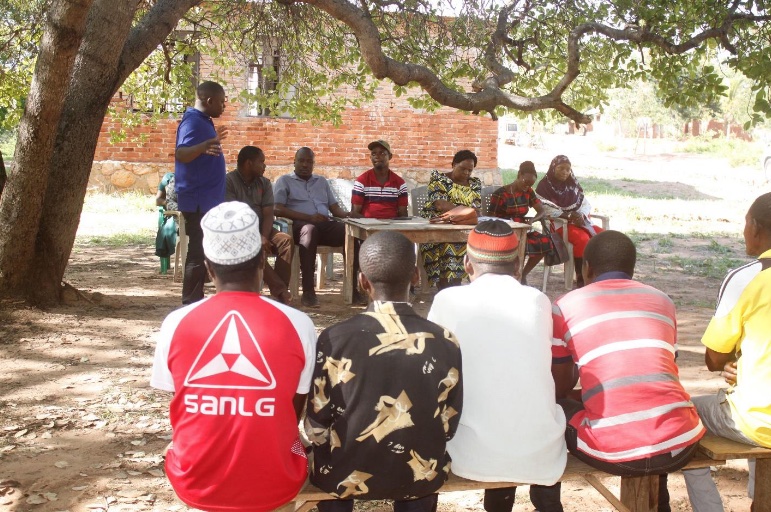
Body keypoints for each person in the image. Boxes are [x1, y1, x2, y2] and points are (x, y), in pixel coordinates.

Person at [150, 201, 317, 512]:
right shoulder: (299, 324)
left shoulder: (175, 323)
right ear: (262, 260)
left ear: (209, 268)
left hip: (195, 483)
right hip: (276, 483)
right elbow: (292, 411)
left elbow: (183, 403)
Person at [305, 231, 462, 512]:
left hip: (341, 471)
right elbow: (448, 422)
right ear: (416, 276)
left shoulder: (334, 338)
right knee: (423, 474)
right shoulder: (444, 339)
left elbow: (317, 425)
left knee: (330, 469)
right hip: (418, 474)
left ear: (362, 281)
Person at [550, 230, 705, 512]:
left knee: (556, 407)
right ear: (632, 269)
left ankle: (547, 504)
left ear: (587, 268)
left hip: (613, 450)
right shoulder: (663, 300)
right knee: (650, 411)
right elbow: (660, 369)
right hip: (679, 442)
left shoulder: (564, 306)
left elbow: (559, 387)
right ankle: (660, 505)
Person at [428, 220, 567, 512]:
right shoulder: (538, 300)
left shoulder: (447, 300)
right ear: (518, 265)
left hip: (470, 454)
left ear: (467, 264)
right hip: (539, 454)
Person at [683, 192, 771, 512]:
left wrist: (739, 360)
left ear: (755, 227)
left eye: (746, 224)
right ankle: (759, 499)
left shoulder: (751, 279)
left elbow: (714, 359)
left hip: (760, 421)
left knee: (683, 416)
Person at [274, 147, 357, 308]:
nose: (305, 165)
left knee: (351, 233)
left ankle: (354, 288)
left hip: (324, 225)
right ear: (294, 162)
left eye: (309, 161)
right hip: (299, 226)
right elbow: (277, 208)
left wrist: (348, 214)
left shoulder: (321, 181)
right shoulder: (285, 181)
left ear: (313, 164)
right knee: (309, 230)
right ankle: (308, 292)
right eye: (301, 161)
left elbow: (335, 209)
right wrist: (308, 218)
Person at [174, 80, 229, 305]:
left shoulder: (203, 121)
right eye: (222, 102)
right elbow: (182, 154)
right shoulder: (192, 122)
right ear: (209, 100)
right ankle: (190, 301)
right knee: (197, 252)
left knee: (204, 250)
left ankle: (196, 298)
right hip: (198, 201)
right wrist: (205, 145)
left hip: (207, 200)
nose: (224, 106)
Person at [226, 146, 293, 304]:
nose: (265, 166)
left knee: (286, 241)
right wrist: (256, 238)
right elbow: (233, 216)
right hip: (238, 232)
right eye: (261, 162)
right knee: (252, 247)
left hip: (262, 229)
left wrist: (263, 236)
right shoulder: (229, 182)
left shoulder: (264, 183)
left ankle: (279, 296)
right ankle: (281, 291)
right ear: (249, 163)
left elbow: (268, 214)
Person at [535, 154, 604, 287]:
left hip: (580, 222)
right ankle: (581, 278)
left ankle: (599, 275)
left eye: (568, 169)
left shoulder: (572, 184)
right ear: (553, 168)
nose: (565, 172)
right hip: (560, 225)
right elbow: (544, 208)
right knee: (582, 239)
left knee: (604, 236)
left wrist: (580, 215)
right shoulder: (544, 186)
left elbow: (585, 204)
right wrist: (568, 216)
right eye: (561, 168)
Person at [420, 149, 482, 289]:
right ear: (453, 164)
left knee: (473, 244)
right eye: (463, 168)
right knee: (449, 247)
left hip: (464, 229)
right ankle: (444, 288)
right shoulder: (439, 179)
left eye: (470, 170)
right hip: (438, 230)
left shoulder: (474, 184)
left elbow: (476, 209)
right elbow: (440, 204)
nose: (466, 173)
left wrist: (466, 212)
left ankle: (454, 288)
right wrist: (467, 211)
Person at [489, 160, 550, 285]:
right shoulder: (501, 194)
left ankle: (522, 274)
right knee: (519, 244)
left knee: (545, 242)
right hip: (504, 230)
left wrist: (533, 219)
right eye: (525, 182)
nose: (527, 186)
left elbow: (541, 211)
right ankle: (511, 276)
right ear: (519, 175)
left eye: (530, 184)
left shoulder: (528, 192)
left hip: (522, 229)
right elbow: (490, 217)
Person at [351, 140, 409, 219]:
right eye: (373, 154)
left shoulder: (400, 183)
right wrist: (368, 223)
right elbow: (354, 213)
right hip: (367, 225)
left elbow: (403, 214)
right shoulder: (361, 181)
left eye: (382, 153)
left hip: (392, 225)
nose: (377, 156)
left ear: (390, 156)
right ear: (370, 157)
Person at [155, 172, 178, 274]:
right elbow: (158, 200)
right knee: (167, 230)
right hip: (174, 215)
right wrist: (169, 202)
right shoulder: (169, 178)